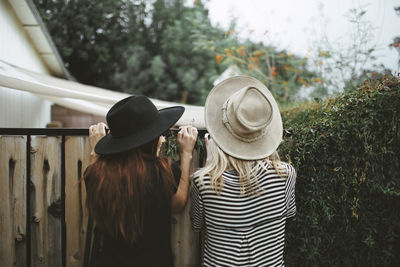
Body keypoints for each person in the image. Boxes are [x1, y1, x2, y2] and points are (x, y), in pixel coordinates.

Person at [190, 76, 296, 267]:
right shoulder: (286, 174)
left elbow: (197, 225)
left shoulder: (203, 183)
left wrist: (209, 163)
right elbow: (288, 213)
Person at [83, 95, 198, 267]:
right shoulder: (163, 171)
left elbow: (93, 177)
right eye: (159, 134)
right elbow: (177, 203)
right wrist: (186, 154)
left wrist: (95, 150)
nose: (163, 138)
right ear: (150, 140)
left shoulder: (98, 174)